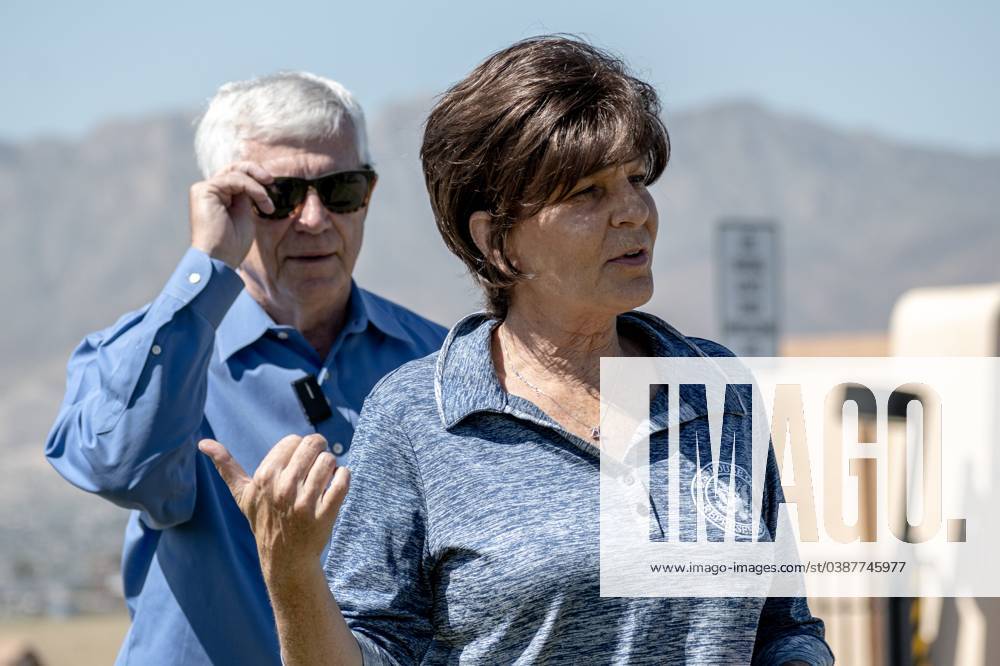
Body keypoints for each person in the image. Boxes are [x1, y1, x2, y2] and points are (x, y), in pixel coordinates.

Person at [203, 37, 835, 664]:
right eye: (588, 192)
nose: (634, 212)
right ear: (497, 242)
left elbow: (783, 629)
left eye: (636, 179)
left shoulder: (715, 386)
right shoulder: (415, 419)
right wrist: (290, 575)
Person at [44, 72, 446, 665]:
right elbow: (120, 468)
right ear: (226, 201)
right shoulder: (153, 355)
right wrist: (206, 263)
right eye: (277, 196)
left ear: (370, 193)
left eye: (340, 189)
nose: (313, 218)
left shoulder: (438, 361)